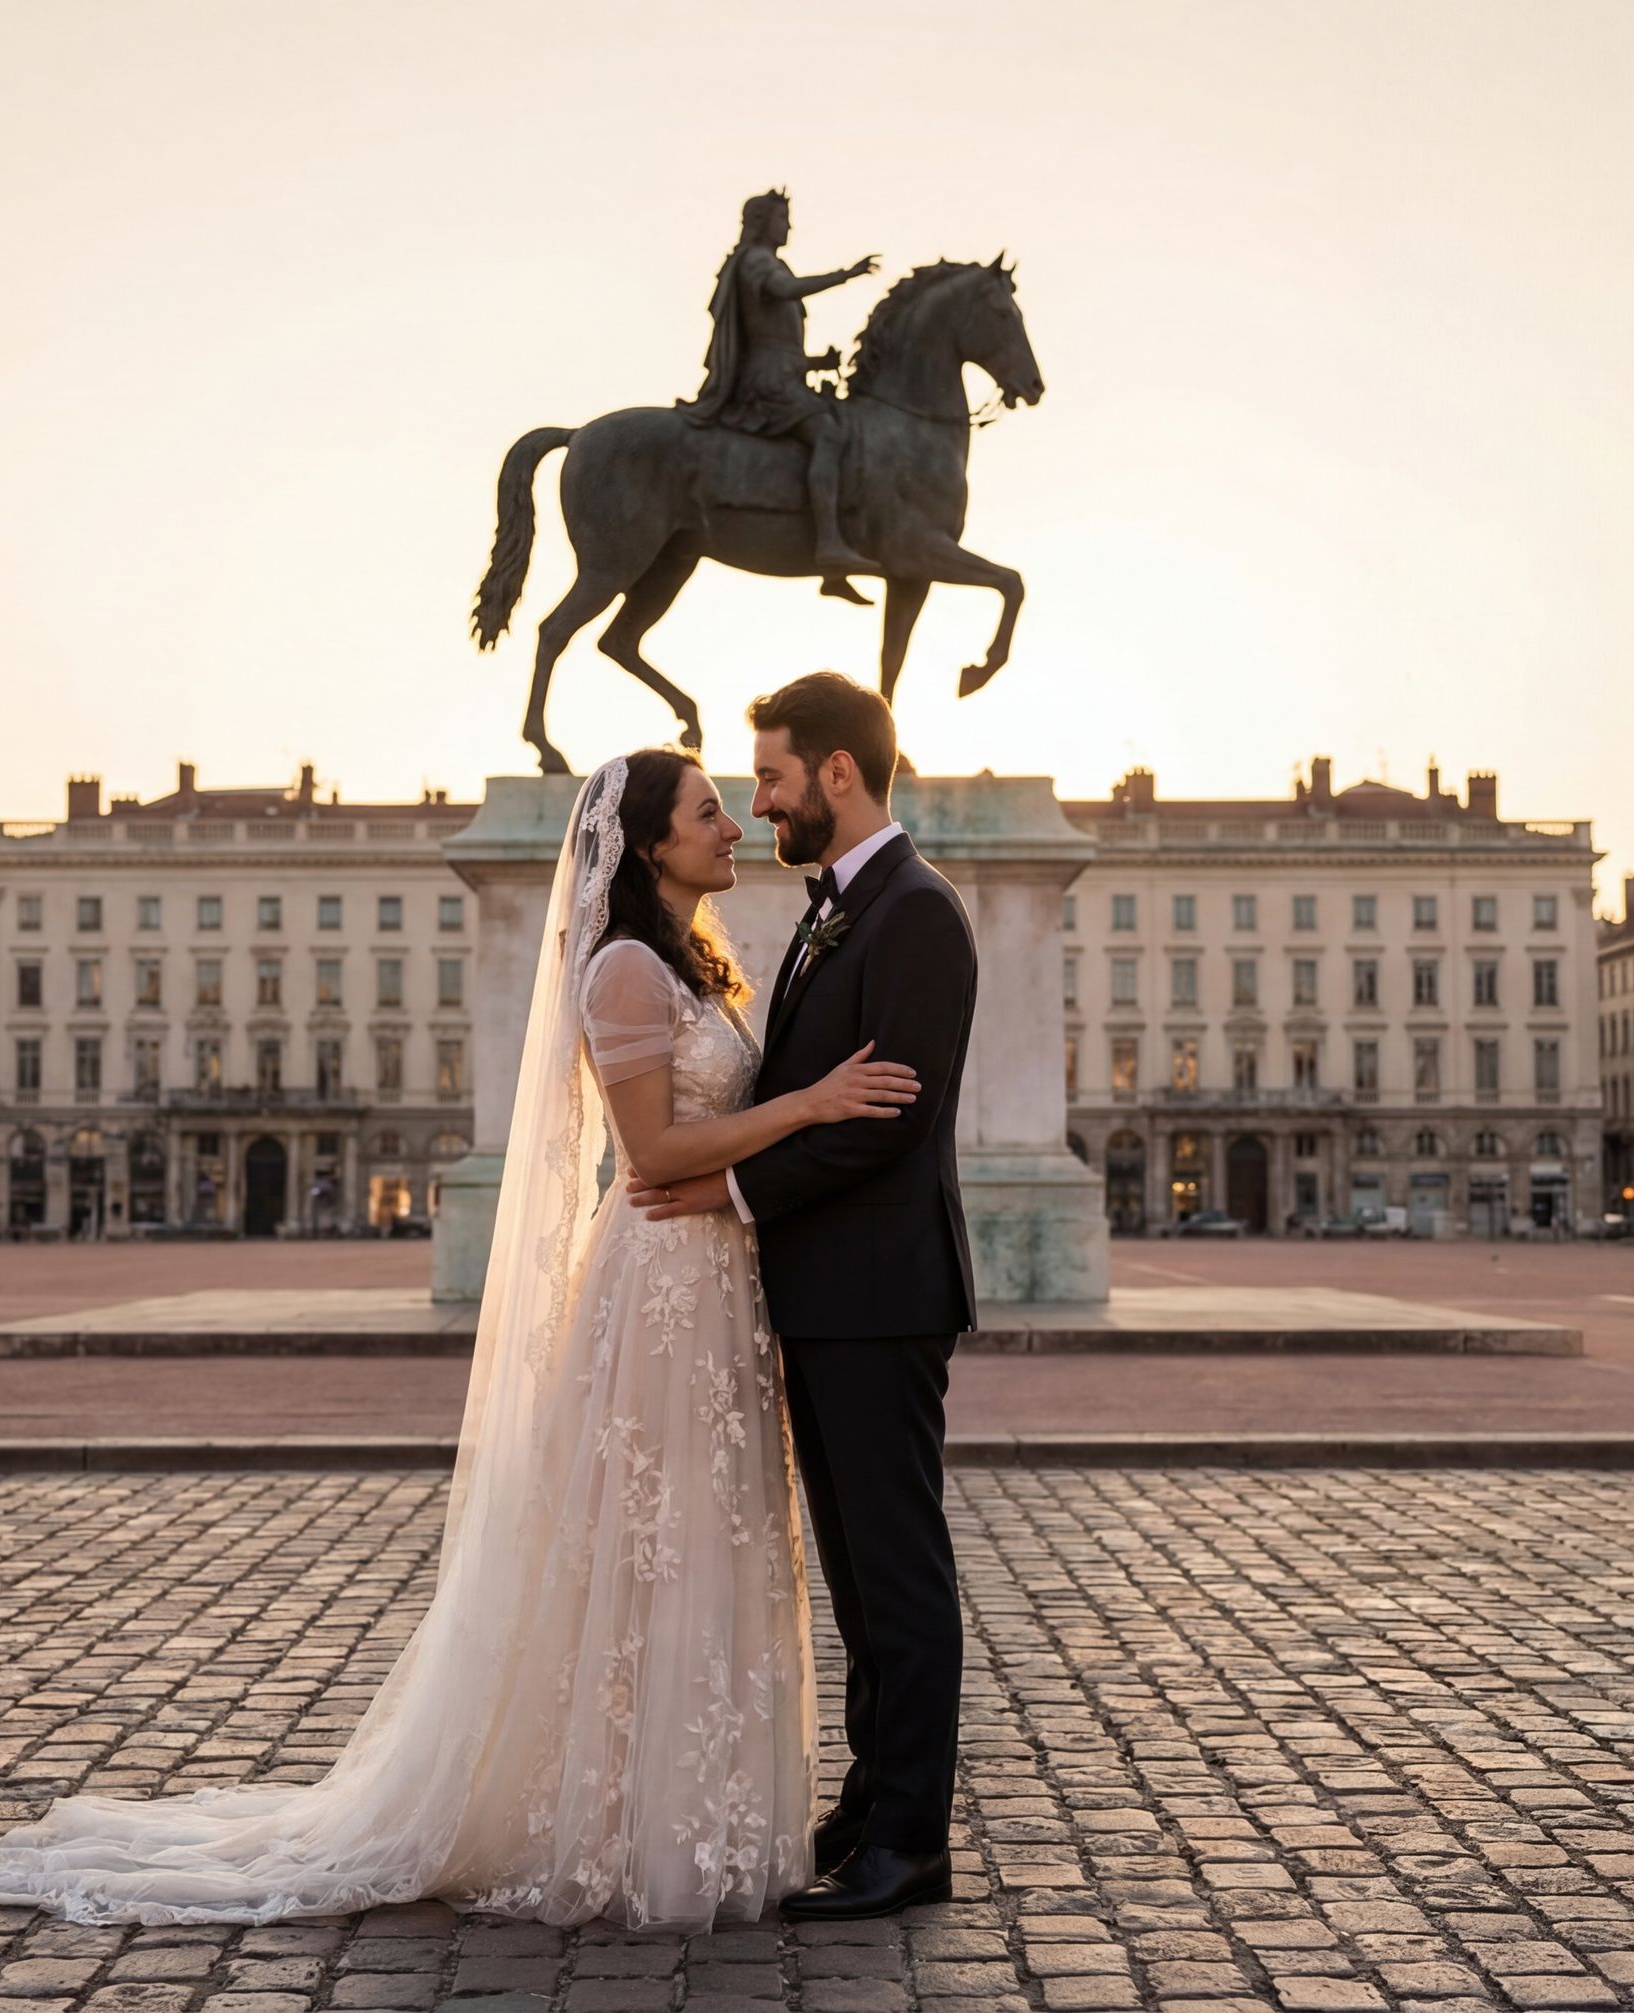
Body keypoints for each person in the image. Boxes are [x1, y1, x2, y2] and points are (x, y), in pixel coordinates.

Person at [0, 739, 927, 1932]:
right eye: (710, 812)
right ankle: (627, 1819)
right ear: (647, 841)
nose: (734, 827)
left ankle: (686, 1807)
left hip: (715, 1283)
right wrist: (812, 1103)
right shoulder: (624, 966)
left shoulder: (696, 960)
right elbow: (651, 1156)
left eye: (735, 808)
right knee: (650, 1544)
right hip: (662, 1286)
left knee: (702, 1537)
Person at [630, 671, 979, 1921]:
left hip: (882, 1294)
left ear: (839, 772)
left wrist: (728, 1196)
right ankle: (869, 1806)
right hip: (832, 1295)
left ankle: (912, 1842)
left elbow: (888, 1124)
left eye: (771, 776)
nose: (759, 802)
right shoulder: (845, 909)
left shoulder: (917, 915)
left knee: (898, 1572)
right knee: (856, 1570)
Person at [680, 189, 881, 599]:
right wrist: (847, 274)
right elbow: (785, 293)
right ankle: (828, 545)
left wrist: (814, 363)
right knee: (828, 432)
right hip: (767, 384)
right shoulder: (756, 262)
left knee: (844, 425)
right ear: (761, 222)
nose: (788, 226)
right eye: (781, 218)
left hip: (782, 374)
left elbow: (774, 343)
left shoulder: (768, 263)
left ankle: (834, 555)